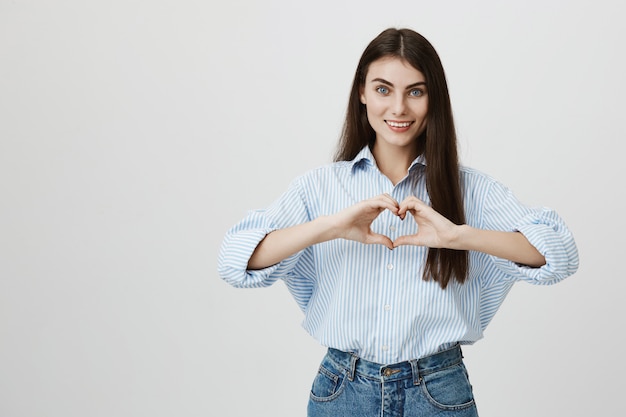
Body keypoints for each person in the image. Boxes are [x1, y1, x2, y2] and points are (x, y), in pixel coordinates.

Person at [217, 28, 578, 417]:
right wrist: (330, 228)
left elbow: (560, 253)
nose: (399, 108)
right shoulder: (320, 186)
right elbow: (235, 261)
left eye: (416, 91)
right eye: (383, 89)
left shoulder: (470, 189)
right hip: (342, 391)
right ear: (362, 93)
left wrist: (460, 237)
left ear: (433, 97)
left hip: (438, 393)